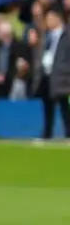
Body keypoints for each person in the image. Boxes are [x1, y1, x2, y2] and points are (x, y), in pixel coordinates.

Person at [42, 8, 70, 139]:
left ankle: (68, 132)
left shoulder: (66, 34)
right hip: (47, 74)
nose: (47, 22)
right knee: (47, 105)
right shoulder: (46, 36)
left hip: (64, 76)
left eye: (50, 18)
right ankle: (47, 132)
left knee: (65, 106)